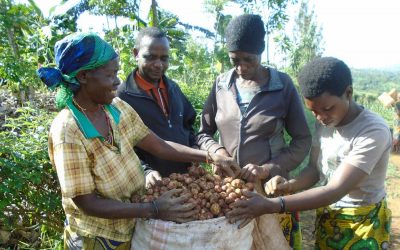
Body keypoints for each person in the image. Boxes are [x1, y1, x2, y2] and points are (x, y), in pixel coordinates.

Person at [37, 32, 240, 250]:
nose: (117, 81)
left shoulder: (116, 108)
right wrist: (152, 208)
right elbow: (87, 202)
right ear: (84, 76)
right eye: (110, 75)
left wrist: (211, 157)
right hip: (96, 237)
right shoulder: (68, 131)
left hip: (132, 226)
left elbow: (159, 146)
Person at [227, 57, 392, 249]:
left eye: (327, 109)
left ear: (348, 93)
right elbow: (314, 169)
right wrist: (289, 186)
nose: (321, 118)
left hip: (363, 224)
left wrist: (272, 205)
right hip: (330, 219)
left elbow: (334, 191)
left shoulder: (373, 131)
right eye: (314, 111)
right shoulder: (326, 123)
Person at [195, 14, 311, 249]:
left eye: (248, 59)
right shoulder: (221, 85)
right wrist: (217, 151)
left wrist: (267, 168)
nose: (241, 67)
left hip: (269, 190)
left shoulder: (281, 86)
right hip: (227, 191)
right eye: (234, 60)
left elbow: (302, 139)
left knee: (272, 243)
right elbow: (203, 133)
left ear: (261, 52)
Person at [117, 27, 196, 187]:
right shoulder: (122, 97)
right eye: (150, 57)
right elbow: (120, 146)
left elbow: (188, 125)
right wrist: (145, 170)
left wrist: (194, 151)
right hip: (153, 186)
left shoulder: (173, 88)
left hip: (186, 181)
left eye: (164, 58)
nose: (158, 64)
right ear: (136, 54)